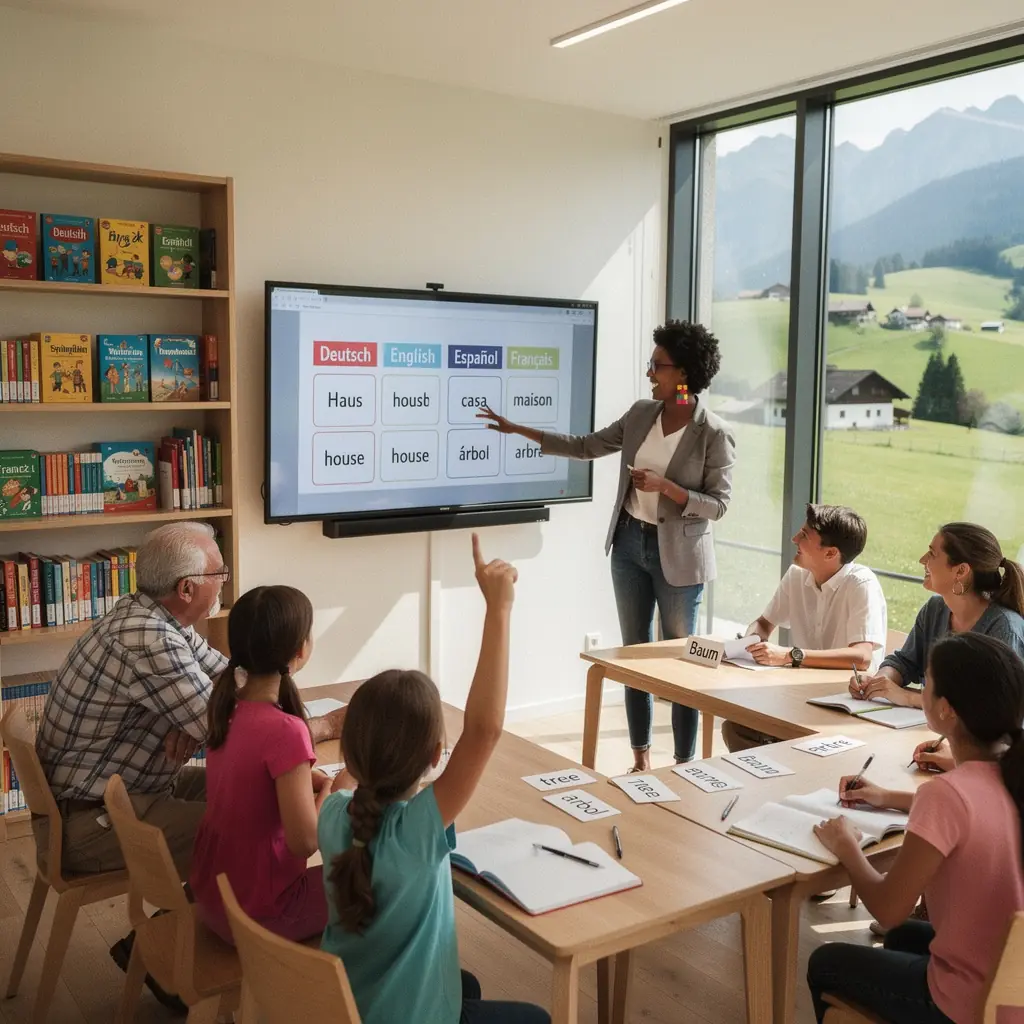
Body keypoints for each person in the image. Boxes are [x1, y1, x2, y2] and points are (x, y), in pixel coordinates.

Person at [479, 320, 734, 771]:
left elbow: (718, 505)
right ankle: (640, 760)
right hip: (630, 545)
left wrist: (667, 487)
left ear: (684, 374)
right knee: (633, 656)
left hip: (680, 557)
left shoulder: (711, 433)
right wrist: (519, 429)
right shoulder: (641, 414)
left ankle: (684, 765)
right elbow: (586, 446)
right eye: (650, 365)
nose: (650, 373)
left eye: (658, 366)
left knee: (681, 664)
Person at [318, 535, 549, 1024]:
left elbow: (343, 783)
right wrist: (499, 608)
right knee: (537, 1018)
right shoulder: (417, 831)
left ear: (349, 752)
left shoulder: (334, 815)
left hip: (344, 1007)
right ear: (435, 756)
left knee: (469, 983)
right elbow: (484, 731)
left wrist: (346, 769)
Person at [806, 632, 1024, 1024]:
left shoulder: (945, 795)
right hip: (1013, 987)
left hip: (968, 1003)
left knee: (826, 961)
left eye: (926, 682)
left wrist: (847, 847)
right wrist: (887, 797)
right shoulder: (1011, 771)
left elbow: (888, 909)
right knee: (904, 937)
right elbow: (971, 811)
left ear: (946, 710)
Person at [190, 586, 334, 945]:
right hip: (261, 915)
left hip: (214, 901)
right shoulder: (287, 731)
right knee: (376, 884)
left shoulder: (226, 708)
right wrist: (334, 791)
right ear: (300, 650)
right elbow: (305, 842)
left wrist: (299, 783)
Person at [852, 523, 1024, 772]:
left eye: (932, 553)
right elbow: (905, 661)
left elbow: (991, 713)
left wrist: (906, 697)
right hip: (929, 740)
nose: (923, 559)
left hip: (989, 764)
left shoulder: (1004, 628)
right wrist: (879, 682)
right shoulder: (934, 610)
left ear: (961, 571)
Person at [722, 503, 887, 751]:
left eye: (804, 536)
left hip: (845, 703)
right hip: (801, 695)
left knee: (763, 738)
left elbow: (862, 657)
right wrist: (750, 643)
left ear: (831, 553)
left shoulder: (861, 585)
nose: (794, 538)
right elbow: (765, 622)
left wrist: (789, 655)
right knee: (736, 726)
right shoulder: (797, 574)